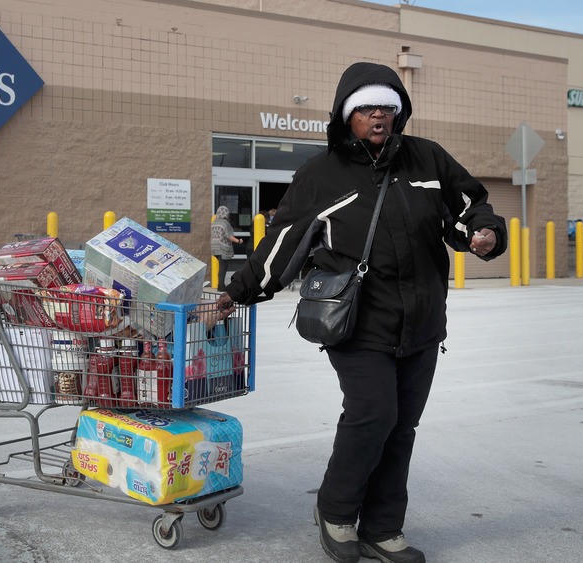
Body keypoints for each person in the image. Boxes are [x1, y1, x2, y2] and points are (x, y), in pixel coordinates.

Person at [217, 62, 507, 563]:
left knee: (402, 427)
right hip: (356, 321)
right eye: (368, 108)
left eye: (388, 108)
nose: (379, 116)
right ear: (347, 115)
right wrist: (236, 293)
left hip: (421, 320)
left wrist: (486, 234)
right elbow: (281, 244)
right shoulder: (321, 174)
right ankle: (335, 511)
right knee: (374, 414)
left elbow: (469, 205)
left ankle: (383, 528)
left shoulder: (427, 158)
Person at [210, 205, 243, 290]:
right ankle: (221, 286)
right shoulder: (225, 223)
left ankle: (220, 285)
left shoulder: (214, 222)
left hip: (214, 247)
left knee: (221, 267)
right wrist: (238, 241)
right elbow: (228, 236)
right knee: (223, 268)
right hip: (222, 247)